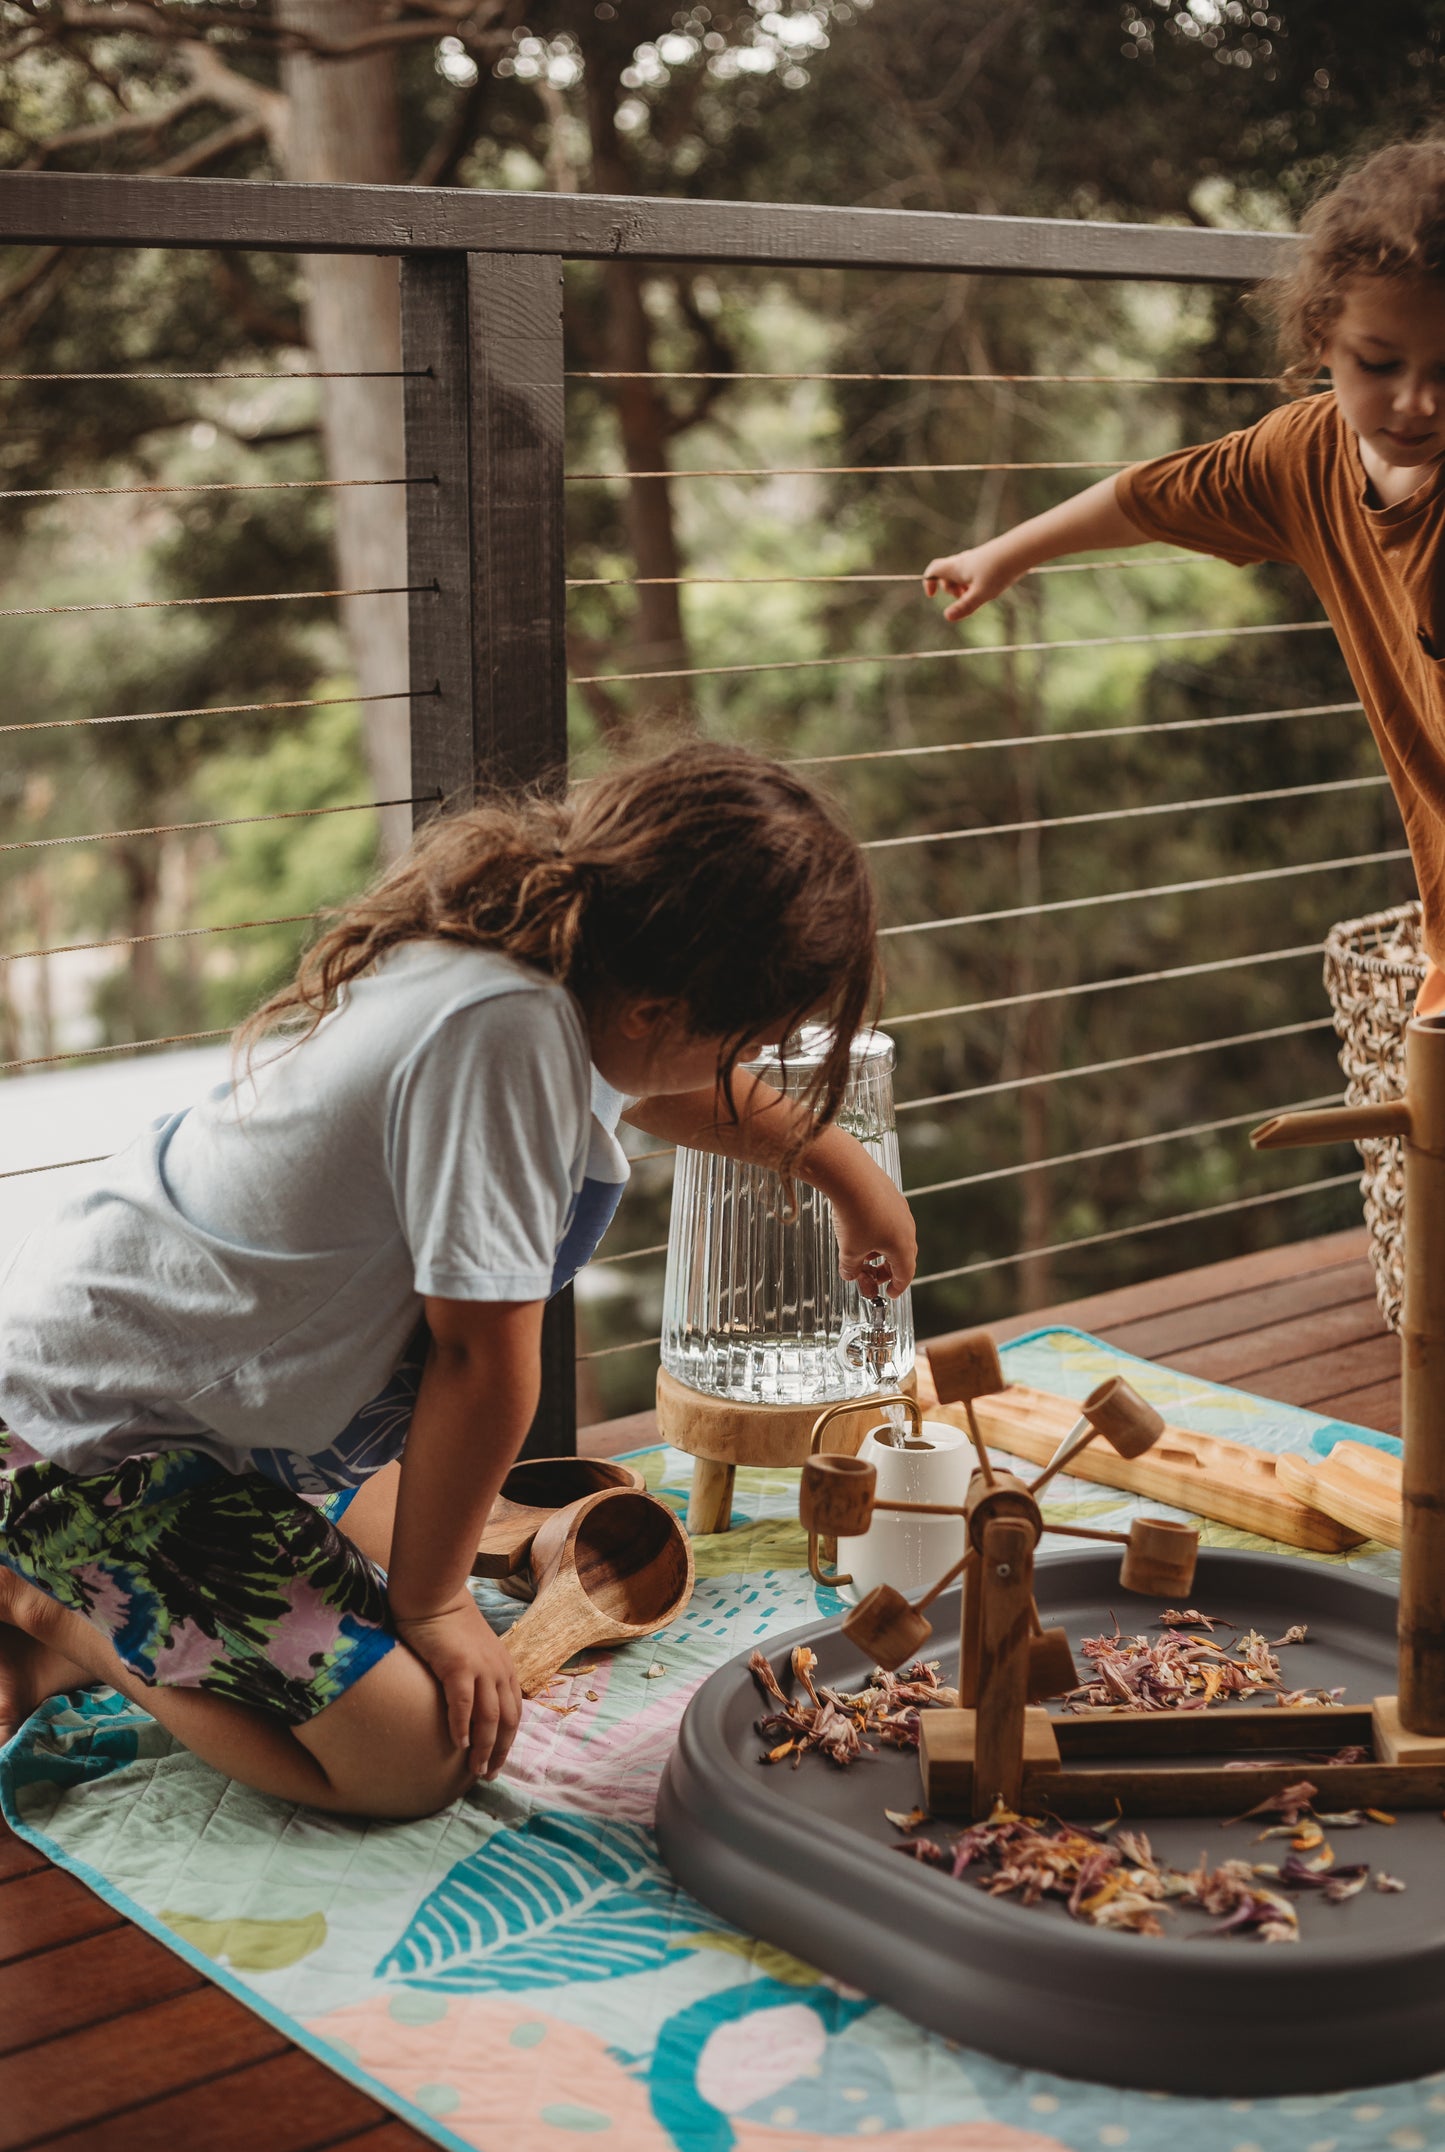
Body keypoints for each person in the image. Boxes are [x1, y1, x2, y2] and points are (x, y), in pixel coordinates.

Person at [0, 743, 916, 1819]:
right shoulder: (504, 1036)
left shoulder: (553, 966)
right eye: (742, 1045)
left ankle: (159, 1588)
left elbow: (660, 1090)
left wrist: (845, 1172)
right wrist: (433, 1607)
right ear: (659, 1011)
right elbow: (481, 1364)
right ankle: (54, 1614)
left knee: (454, 1522)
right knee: (422, 1753)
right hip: (95, 1447)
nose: (736, 1070)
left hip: (230, 1419)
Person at [923, 137, 1445, 1011]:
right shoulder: (1300, 455)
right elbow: (1150, 497)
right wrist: (1004, 554)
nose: (1417, 401)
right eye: (1380, 363)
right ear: (1320, 336)